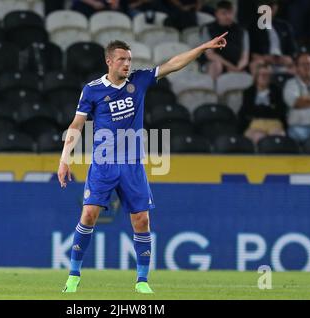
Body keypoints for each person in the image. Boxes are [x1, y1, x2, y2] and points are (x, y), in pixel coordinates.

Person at [58, 34, 228, 293]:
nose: (127, 64)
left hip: (132, 165)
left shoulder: (139, 79)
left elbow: (173, 64)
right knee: (89, 215)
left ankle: (142, 281)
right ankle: (73, 275)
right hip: (103, 164)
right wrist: (64, 159)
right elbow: (76, 126)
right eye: (121, 60)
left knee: (141, 221)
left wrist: (203, 47)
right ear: (109, 62)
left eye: (129, 59)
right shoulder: (92, 89)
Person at [238, 63, 286, 144]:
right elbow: (247, 111)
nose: (264, 77)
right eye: (261, 74)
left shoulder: (277, 91)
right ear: (256, 77)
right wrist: (269, 109)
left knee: (277, 138)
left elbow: (280, 111)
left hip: (274, 123)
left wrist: (258, 109)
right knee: (258, 138)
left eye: (266, 75)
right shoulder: (249, 92)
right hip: (255, 124)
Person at [201, 0, 249, 79]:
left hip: (235, 64)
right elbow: (210, 55)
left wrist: (238, 67)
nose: (228, 16)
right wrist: (229, 66)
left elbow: (245, 57)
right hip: (215, 63)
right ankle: (212, 90)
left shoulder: (242, 30)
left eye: (230, 13)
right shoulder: (208, 29)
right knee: (216, 65)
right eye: (224, 13)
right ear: (217, 14)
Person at [248, 0, 297, 75]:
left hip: (283, 60)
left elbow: (293, 51)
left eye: (272, 6)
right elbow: (252, 53)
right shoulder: (253, 28)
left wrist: (288, 58)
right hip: (264, 61)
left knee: (301, 65)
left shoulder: (284, 26)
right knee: (256, 63)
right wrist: (267, 58)